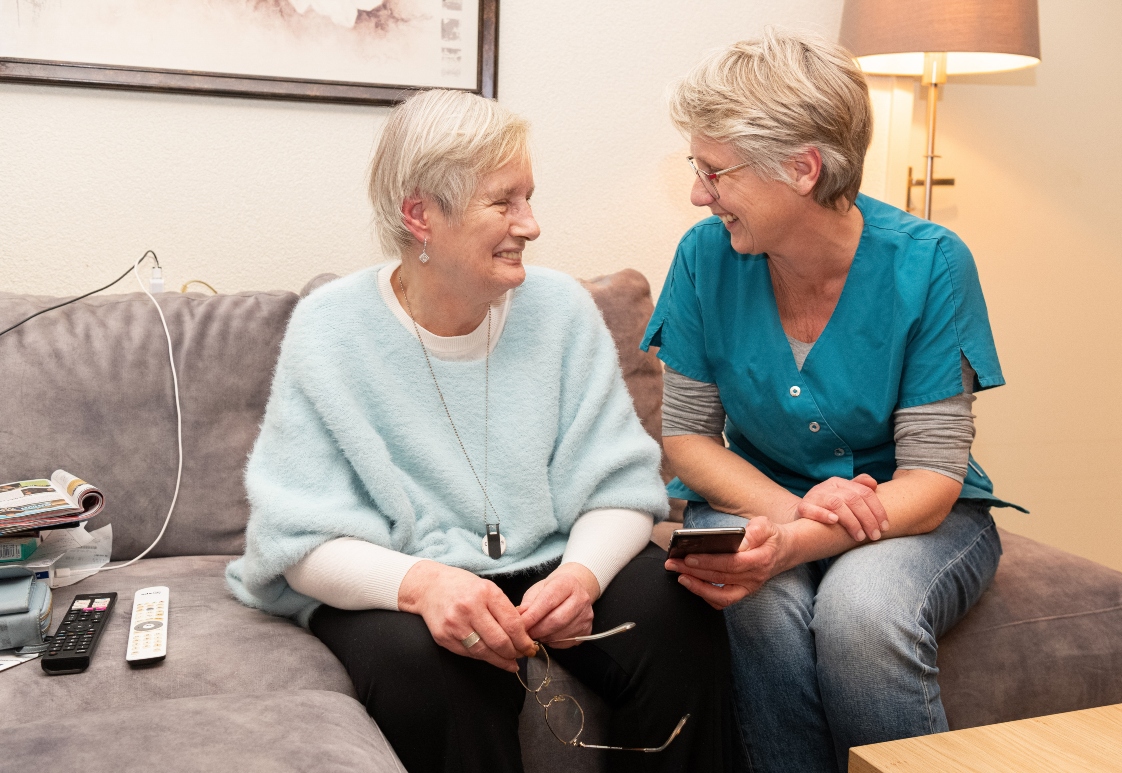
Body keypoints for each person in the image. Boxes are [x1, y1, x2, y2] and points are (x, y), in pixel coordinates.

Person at [226, 89, 745, 773]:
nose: (530, 224)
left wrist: (584, 575)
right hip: (401, 575)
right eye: (504, 202)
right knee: (430, 673)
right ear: (421, 215)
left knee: (682, 619)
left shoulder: (561, 310)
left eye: (529, 198)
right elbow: (297, 538)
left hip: (550, 558)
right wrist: (423, 586)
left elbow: (620, 486)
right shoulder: (331, 329)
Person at [644, 28, 1025, 773]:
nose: (698, 193)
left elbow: (932, 478)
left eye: (715, 171)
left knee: (863, 613)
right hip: (758, 495)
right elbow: (688, 438)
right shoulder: (702, 256)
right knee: (757, 602)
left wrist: (804, 539)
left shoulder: (932, 263)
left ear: (802, 168)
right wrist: (795, 513)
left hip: (918, 509)